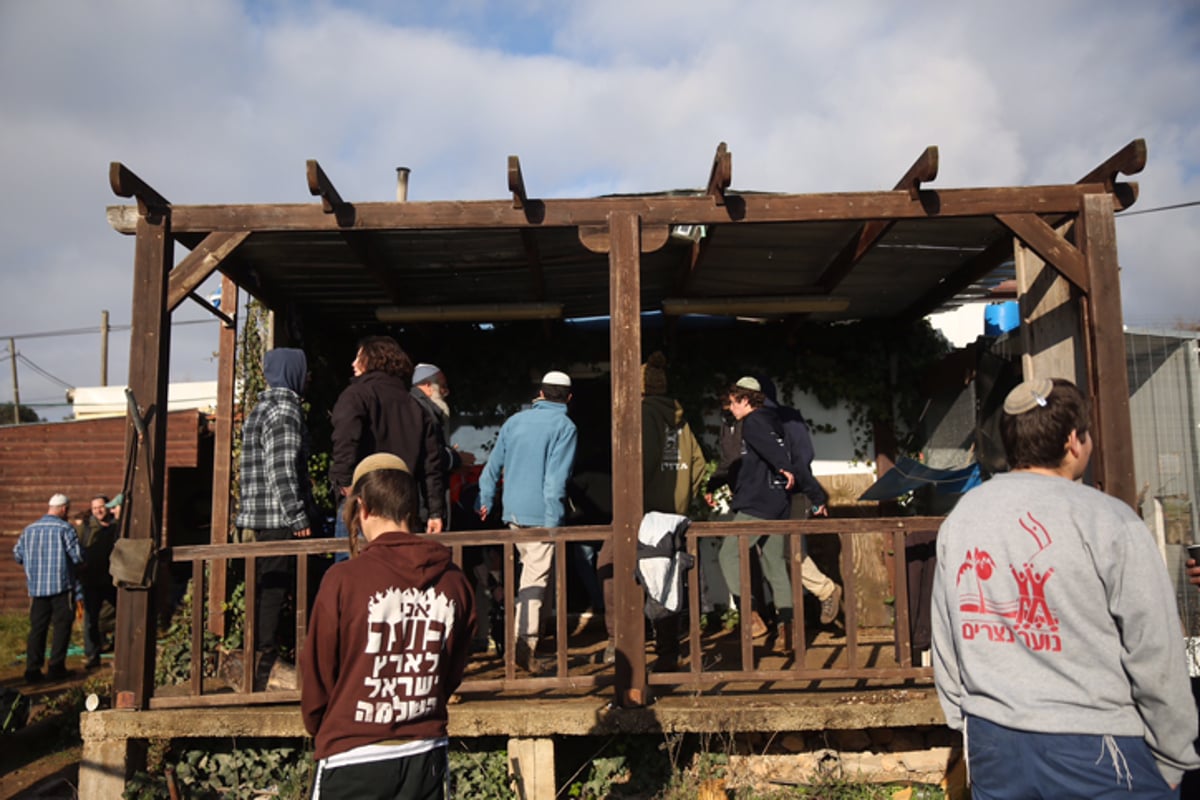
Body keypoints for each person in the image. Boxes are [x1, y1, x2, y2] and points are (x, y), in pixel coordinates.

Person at [931, 378, 1200, 797]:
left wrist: (961, 717)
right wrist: (1174, 752)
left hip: (994, 740)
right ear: (1074, 441)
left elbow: (945, 633)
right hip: (1098, 743)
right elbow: (1155, 649)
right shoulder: (1109, 520)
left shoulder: (964, 516)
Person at [301, 453, 476, 799]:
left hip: (352, 751)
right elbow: (453, 669)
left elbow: (318, 672)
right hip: (425, 747)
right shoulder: (454, 582)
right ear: (410, 509)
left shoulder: (343, 580)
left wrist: (324, 726)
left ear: (362, 508)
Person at [598, 351, 707, 669]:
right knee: (666, 575)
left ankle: (617, 640)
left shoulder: (643, 413)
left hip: (641, 514)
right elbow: (699, 464)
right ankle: (668, 649)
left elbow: (638, 463)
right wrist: (682, 498)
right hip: (673, 516)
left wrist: (630, 503)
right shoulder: (680, 418)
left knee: (609, 566)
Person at [477, 370, 577, 675]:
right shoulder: (565, 426)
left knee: (529, 577)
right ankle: (523, 645)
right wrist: (553, 523)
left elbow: (491, 469)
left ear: (541, 394)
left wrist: (485, 500)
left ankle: (527, 640)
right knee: (534, 580)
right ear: (568, 398)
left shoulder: (514, 422)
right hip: (541, 516)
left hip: (514, 514)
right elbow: (556, 481)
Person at [236, 347, 317, 688]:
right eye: (305, 370)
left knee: (266, 590)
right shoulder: (285, 408)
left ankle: (258, 662)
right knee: (279, 591)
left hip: (259, 518)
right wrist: (298, 517)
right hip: (280, 520)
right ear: (293, 371)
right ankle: (264, 668)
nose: (309, 376)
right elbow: (281, 469)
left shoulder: (261, 407)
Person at [330, 337, 445, 561]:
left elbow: (345, 438)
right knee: (398, 572)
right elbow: (432, 466)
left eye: (358, 357)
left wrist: (345, 482)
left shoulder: (356, 395)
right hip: (402, 501)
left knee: (353, 572)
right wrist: (435, 512)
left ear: (372, 360)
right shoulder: (416, 407)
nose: (353, 364)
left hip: (363, 498)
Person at [716, 376, 800, 654]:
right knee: (774, 564)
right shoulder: (776, 420)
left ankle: (751, 617)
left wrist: (783, 466)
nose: (730, 407)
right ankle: (788, 631)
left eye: (733, 401)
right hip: (777, 501)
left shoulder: (752, 422)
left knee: (728, 554)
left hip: (757, 503)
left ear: (745, 399)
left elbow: (769, 450)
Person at [758, 376, 842, 629]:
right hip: (768, 496)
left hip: (793, 494)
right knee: (771, 553)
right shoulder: (752, 421)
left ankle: (824, 591)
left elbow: (802, 460)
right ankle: (789, 616)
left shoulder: (786, 419)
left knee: (791, 551)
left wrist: (815, 495)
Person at [14, 493, 83, 682]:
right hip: (61, 587)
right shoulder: (65, 529)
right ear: (64, 509)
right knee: (61, 628)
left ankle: (32, 670)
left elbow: (18, 555)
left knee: (37, 629)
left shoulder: (29, 530)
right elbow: (77, 557)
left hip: (36, 589)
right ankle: (56, 667)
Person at [410, 362, 475, 528]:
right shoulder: (423, 411)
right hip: (423, 501)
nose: (446, 391)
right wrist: (456, 458)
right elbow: (430, 455)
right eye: (443, 386)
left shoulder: (418, 408)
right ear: (427, 385)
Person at [77, 494, 119, 669]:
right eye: (95, 508)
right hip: (92, 580)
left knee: (121, 616)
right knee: (90, 619)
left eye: (101, 507)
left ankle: (120, 653)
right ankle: (92, 655)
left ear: (108, 507)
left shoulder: (117, 526)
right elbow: (77, 550)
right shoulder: (85, 528)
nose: (98, 510)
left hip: (113, 579)